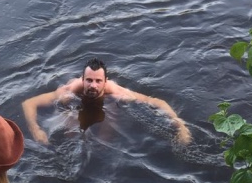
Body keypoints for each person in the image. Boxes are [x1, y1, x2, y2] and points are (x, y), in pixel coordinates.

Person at [21, 58, 192, 146]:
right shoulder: (69, 91)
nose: (93, 85)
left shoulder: (117, 92)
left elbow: (157, 102)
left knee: (105, 140)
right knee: (71, 134)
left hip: (106, 108)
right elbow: (29, 103)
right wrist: (36, 130)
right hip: (77, 107)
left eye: (98, 81)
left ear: (105, 81)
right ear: (82, 79)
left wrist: (181, 126)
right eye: (89, 80)